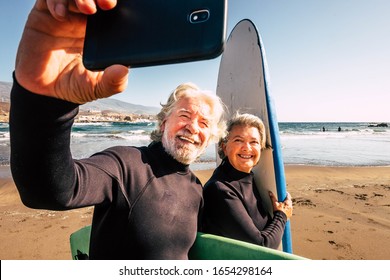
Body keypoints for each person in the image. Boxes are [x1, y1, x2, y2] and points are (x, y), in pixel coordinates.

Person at [9, 0, 226, 260]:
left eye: (204, 124)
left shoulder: (196, 189)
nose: (193, 127)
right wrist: (45, 104)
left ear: (210, 138)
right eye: (185, 115)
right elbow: (54, 191)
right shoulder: (127, 165)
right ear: (163, 122)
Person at [202, 113, 293, 249]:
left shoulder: (248, 178)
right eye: (238, 140)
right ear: (224, 147)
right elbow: (260, 247)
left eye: (254, 142)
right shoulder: (220, 190)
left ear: (261, 148)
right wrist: (281, 216)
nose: (247, 147)